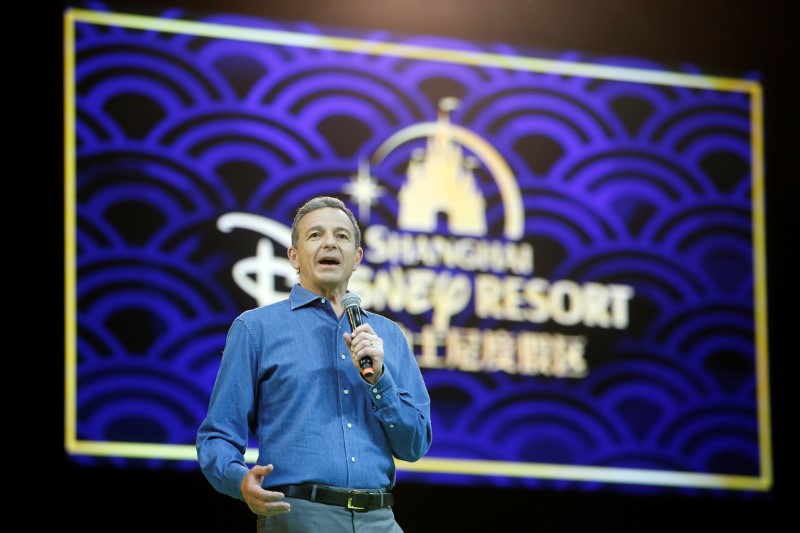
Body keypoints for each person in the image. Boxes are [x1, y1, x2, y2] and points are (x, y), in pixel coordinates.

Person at [196, 196, 433, 532]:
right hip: (298, 516)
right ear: (294, 256)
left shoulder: (387, 336)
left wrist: (380, 380)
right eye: (315, 235)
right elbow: (218, 434)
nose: (329, 243)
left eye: (341, 236)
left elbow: (413, 445)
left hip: (380, 519)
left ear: (357, 258)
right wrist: (239, 481)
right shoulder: (256, 329)